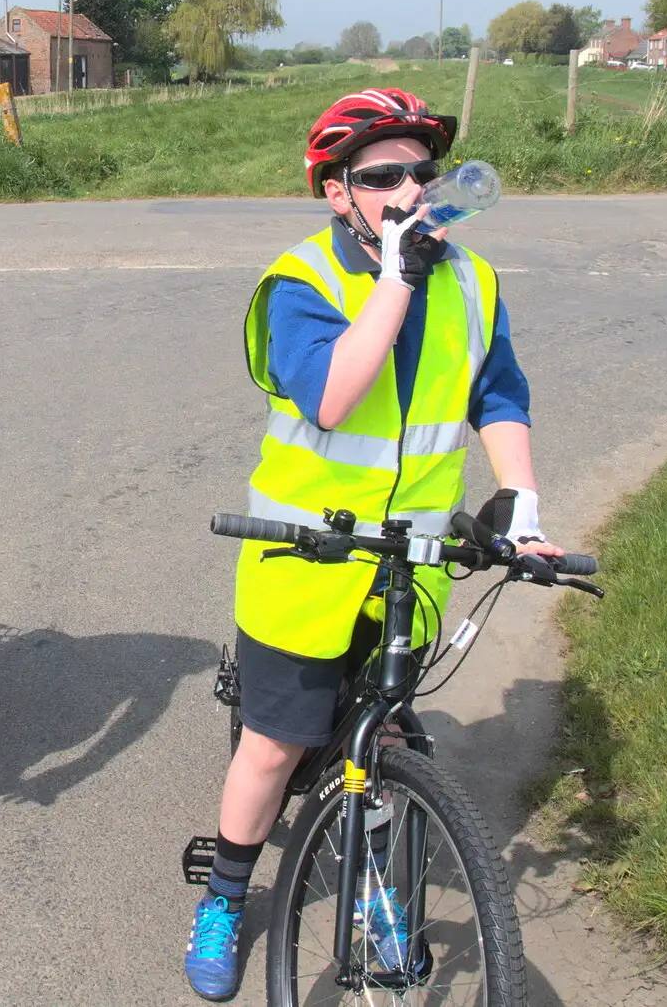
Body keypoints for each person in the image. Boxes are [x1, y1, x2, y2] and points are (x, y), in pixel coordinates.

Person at [183, 88, 563, 1000]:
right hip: (302, 555)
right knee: (275, 746)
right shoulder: (303, 283)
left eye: (421, 173)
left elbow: (496, 394)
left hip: (413, 559)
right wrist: (396, 277)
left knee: (386, 732)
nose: (409, 190)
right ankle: (229, 897)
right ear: (336, 192)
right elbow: (330, 398)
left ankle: (372, 901)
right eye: (381, 175)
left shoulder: (470, 280)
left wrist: (521, 499)